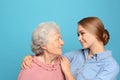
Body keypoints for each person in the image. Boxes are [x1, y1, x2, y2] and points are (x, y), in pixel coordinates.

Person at [21, 17, 119, 80]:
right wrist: (31, 58)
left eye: (82, 33)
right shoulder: (75, 55)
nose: (79, 38)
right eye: (78, 34)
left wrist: (67, 72)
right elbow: (50, 57)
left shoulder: (111, 66)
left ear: (95, 32)